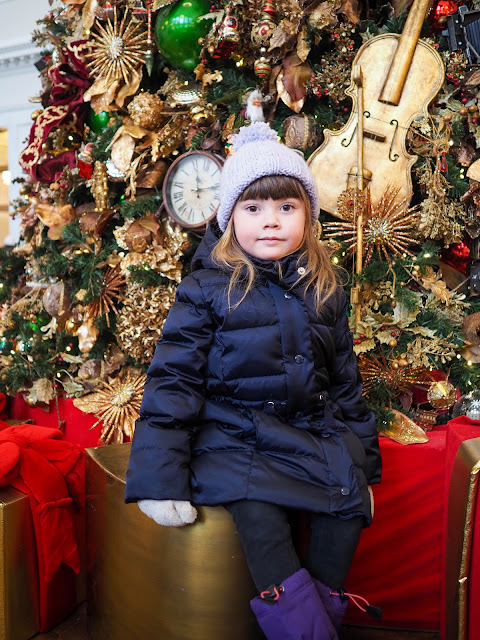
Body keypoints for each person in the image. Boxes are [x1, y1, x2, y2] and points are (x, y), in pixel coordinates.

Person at [125, 122, 382, 639]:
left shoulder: (324, 289)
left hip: (310, 435)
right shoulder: (205, 289)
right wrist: (160, 480)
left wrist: (366, 467)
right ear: (229, 217)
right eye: (254, 208)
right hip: (235, 440)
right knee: (263, 523)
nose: (271, 221)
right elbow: (171, 385)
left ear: (307, 216)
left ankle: (315, 626)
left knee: (345, 510)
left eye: (287, 208)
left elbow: (345, 384)